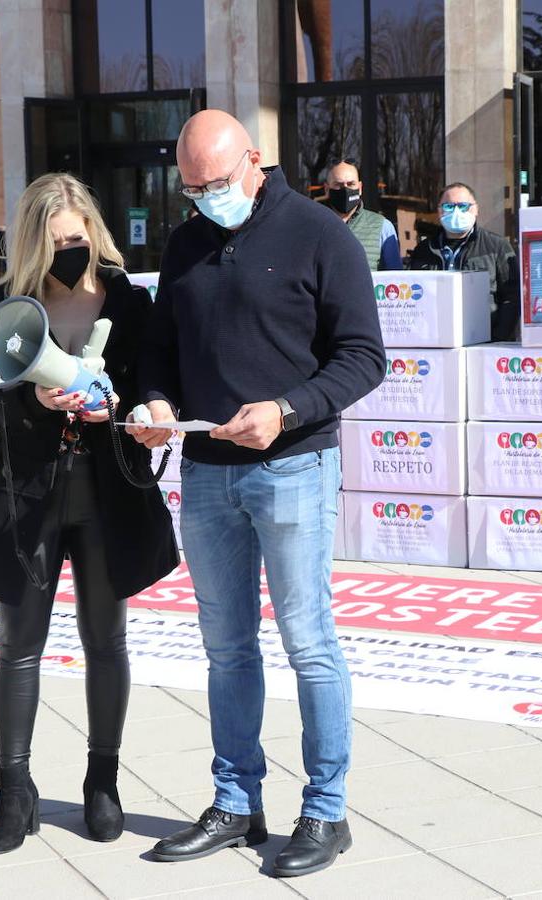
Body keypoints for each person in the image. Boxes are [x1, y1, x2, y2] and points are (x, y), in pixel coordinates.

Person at [130, 109, 384, 878]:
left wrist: (286, 409)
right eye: (191, 187)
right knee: (226, 646)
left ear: (255, 161)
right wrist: (157, 404)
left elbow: (364, 358)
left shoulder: (320, 235)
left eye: (215, 183)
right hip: (207, 469)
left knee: (307, 642)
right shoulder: (185, 244)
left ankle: (327, 811)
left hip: (294, 466)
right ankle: (236, 801)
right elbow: (160, 349)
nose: (205, 198)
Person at [0, 172, 180, 854]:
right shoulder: (8, 303)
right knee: (19, 647)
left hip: (107, 494)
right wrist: (36, 403)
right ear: (34, 243)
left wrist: (143, 407)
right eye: (57, 242)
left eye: (78, 239)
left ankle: (102, 781)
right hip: (28, 497)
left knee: (106, 640)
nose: (70, 251)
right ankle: (14, 792)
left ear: (93, 233)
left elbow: (155, 377)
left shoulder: (125, 298)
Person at [408, 182, 519, 341]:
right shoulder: (423, 250)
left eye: (463, 206)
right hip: (437, 343)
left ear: (476, 209)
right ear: (439, 211)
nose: (456, 212)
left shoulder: (498, 247)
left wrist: (497, 339)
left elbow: (512, 298)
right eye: (448, 206)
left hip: (485, 343)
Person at [322, 158, 401, 270]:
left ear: (359, 188)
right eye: (338, 185)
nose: (345, 189)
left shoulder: (383, 228)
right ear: (326, 189)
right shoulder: (313, 226)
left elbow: (395, 281)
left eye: (351, 184)